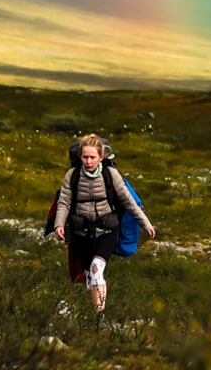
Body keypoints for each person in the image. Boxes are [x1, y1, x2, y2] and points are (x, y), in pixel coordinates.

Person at [47, 133, 156, 316]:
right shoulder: (72, 175)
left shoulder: (111, 174)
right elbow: (64, 202)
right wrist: (59, 225)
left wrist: (146, 224)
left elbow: (128, 201)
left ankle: (100, 316)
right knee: (90, 274)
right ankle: (95, 313)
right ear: (80, 156)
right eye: (84, 157)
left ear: (101, 157)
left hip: (107, 230)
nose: (88, 161)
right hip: (81, 232)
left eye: (92, 157)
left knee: (97, 269)